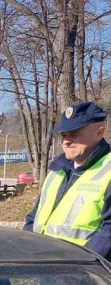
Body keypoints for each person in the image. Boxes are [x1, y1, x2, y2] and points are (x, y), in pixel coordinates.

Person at [24, 101, 111, 258]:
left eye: (74, 134)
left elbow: (108, 232)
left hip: (85, 274)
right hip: (45, 266)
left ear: (99, 133)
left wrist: (82, 264)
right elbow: (35, 216)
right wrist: (26, 246)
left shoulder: (108, 169)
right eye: (64, 135)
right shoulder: (57, 170)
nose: (66, 141)